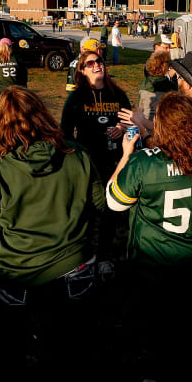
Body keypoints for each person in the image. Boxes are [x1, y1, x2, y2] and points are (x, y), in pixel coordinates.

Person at [0, 86, 105, 382]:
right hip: (74, 271)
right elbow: (101, 204)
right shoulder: (77, 154)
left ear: (2, 123)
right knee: (69, 353)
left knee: (10, 356)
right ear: (43, 114)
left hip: (16, 274)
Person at [107, 93, 192, 382]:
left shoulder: (144, 163)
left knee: (160, 327)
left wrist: (125, 155)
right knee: (185, 319)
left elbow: (114, 202)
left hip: (155, 260)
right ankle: (184, 366)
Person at [61, 51, 132, 278]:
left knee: (110, 211)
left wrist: (121, 129)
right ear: (81, 71)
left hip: (113, 163)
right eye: (89, 63)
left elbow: (130, 125)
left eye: (98, 61)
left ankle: (103, 257)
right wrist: (74, 154)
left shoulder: (118, 94)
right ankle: (80, 257)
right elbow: (64, 133)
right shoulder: (76, 98)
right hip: (85, 164)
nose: (96, 65)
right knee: (83, 211)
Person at [138, 50, 177, 122]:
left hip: (144, 122)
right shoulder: (169, 86)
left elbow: (139, 108)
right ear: (165, 66)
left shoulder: (144, 84)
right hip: (162, 124)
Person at [0, 38, 27, 103]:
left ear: (0, 47)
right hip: (15, 92)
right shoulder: (17, 58)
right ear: (10, 47)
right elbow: (24, 74)